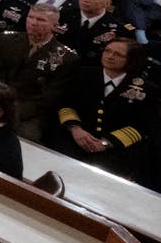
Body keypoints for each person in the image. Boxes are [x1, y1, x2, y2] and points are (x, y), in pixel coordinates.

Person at [49, 39, 152, 178]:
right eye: (107, 51)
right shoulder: (84, 74)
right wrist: (75, 129)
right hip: (74, 137)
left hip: (114, 148)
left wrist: (106, 143)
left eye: (118, 54)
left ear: (131, 60)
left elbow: (142, 125)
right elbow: (65, 104)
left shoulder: (144, 89)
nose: (110, 56)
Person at [0, 3, 78, 140]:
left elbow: (47, 98)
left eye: (40, 20)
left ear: (55, 25)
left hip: (30, 113)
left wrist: (10, 112)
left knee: (25, 136)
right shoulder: (6, 40)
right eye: (30, 17)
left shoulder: (67, 58)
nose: (33, 23)